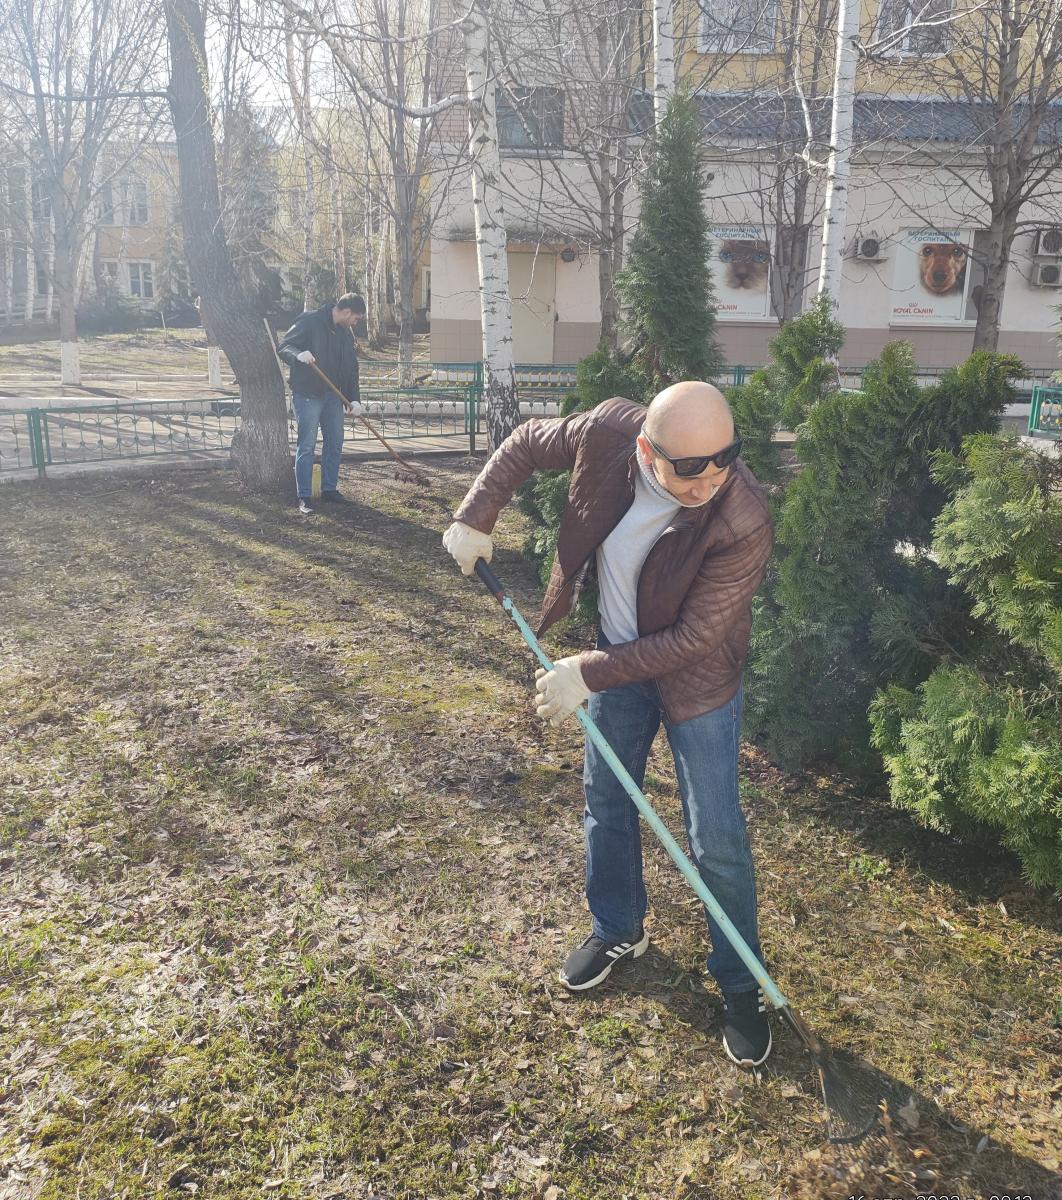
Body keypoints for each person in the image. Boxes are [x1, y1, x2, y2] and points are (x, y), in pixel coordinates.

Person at [442, 382, 775, 1068]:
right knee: (606, 802)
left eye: (725, 458)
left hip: (697, 682)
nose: (710, 478)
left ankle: (741, 985)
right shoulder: (605, 433)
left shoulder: (742, 516)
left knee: (715, 837)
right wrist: (476, 515)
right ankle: (619, 927)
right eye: (688, 465)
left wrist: (585, 674)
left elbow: (691, 640)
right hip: (612, 659)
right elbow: (526, 443)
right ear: (646, 449)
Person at [277, 294, 366, 514]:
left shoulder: (345, 334)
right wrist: (298, 355)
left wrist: (354, 398)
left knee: (335, 442)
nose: (355, 323)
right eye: (356, 318)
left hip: (333, 397)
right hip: (308, 393)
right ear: (346, 312)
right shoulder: (310, 321)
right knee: (307, 445)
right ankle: (304, 496)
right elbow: (285, 346)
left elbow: (351, 369)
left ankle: (329, 490)